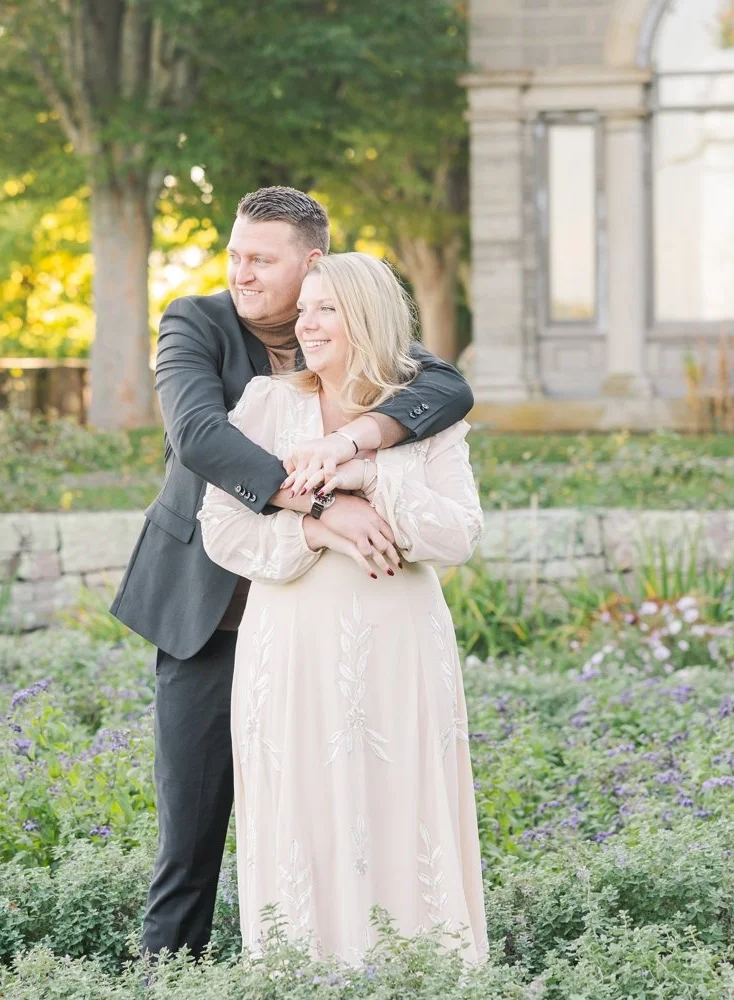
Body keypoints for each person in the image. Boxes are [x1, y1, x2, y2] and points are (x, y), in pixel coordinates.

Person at [110, 186, 474, 959]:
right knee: (190, 828)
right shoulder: (196, 321)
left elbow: (449, 389)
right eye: (234, 255)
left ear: (312, 264)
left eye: (260, 260)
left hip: (335, 633)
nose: (240, 273)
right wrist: (322, 507)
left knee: (342, 809)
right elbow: (199, 436)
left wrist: (358, 441)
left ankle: (370, 959)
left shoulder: (354, 325)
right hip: (212, 610)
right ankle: (165, 978)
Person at [197, 251, 487, 964]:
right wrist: (319, 528)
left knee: (401, 804)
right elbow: (222, 528)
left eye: (326, 308)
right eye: (304, 310)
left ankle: (418, 970)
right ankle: (303, 970)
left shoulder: (425, 417)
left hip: (400, 646)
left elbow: (458, 534)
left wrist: (369, 476)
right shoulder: (266, 404)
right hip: (290, 644)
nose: (307, 323)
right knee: (302, 805)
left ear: (368, 316)